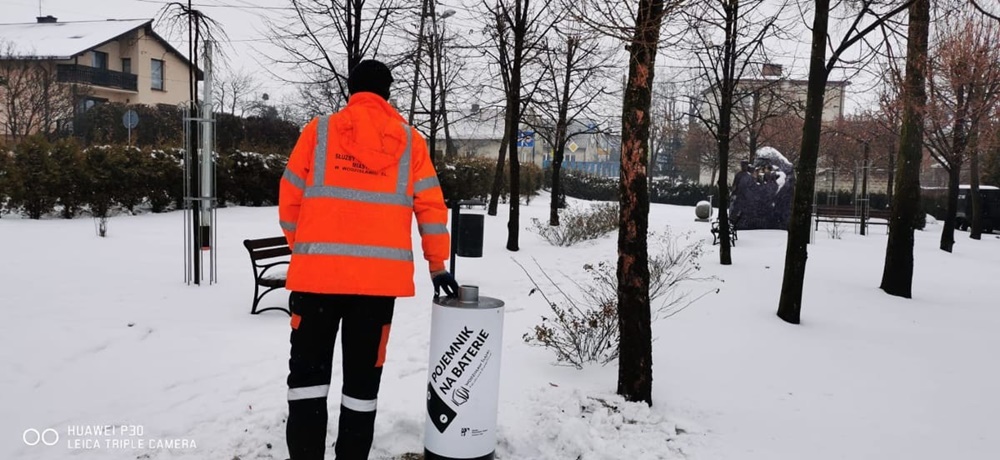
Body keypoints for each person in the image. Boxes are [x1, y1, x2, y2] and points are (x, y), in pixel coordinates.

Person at [278, 59, 460, 460]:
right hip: (376, 292)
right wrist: (437, 263)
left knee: (307, 380)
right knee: (362, 385)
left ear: (351, 89)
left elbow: (289, 197)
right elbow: (431, 206)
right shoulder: (411, 143)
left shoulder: (318, 131)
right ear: (387, 93)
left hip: (316, 285)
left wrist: (306, 250)